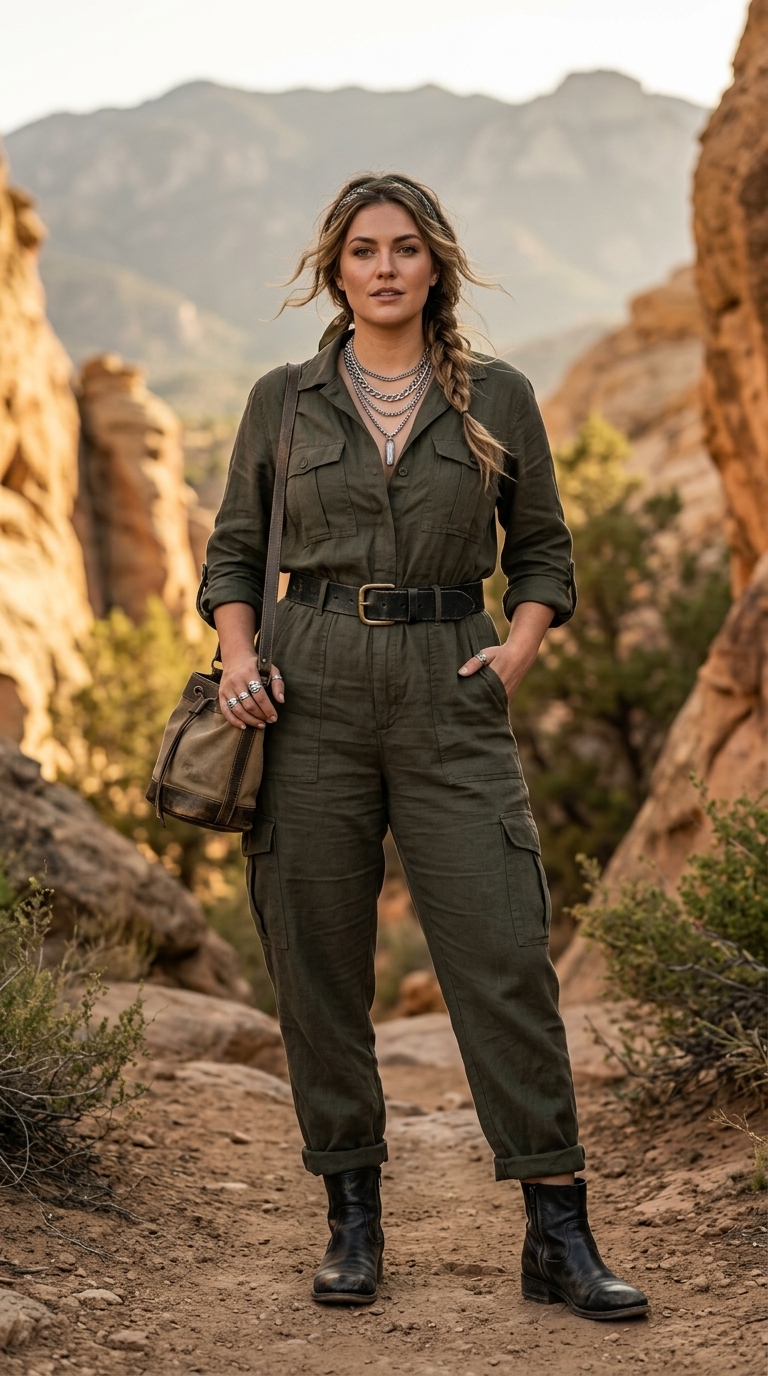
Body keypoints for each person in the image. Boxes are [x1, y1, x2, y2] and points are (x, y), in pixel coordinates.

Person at [197, 174, 648, 1323]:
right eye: (363, 250)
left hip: (454, 686)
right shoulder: (284, 400)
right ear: (336, 270)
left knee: (504, 950)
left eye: (405, 248)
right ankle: (353, 1215)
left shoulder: (499, 393)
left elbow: (542, 552)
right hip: (310, 688)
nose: (386, 266)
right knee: (319, 956)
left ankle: (558, 1227)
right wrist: (237, 658)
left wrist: (521, 649)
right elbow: (234, 553)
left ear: (435, 264)